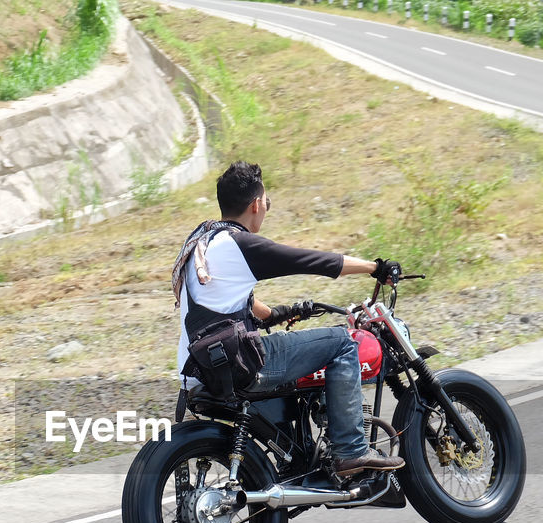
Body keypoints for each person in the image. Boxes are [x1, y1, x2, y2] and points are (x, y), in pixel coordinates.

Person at [172, 161, 405, 476]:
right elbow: (314, 261)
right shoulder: (241, 244)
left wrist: (284, 313)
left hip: (198, 370)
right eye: (267, 201)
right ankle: (351, 450)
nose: (267, 208)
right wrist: (375, 267)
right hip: (236, 364)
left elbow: (237, 302)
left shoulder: (202, 242)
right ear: (256, 204)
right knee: (342, 343)